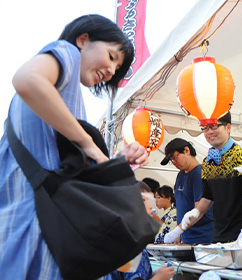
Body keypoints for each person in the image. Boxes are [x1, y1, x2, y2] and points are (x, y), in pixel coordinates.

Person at [0, 14, 150, 278]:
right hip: (40, 229)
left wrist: (114, 159)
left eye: (117, 69)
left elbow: (62, 165)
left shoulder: (59, 99)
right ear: (83, 40)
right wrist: (88, 143)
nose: (112, 71)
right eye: (112, 56)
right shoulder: (66, 52)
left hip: (22, 228)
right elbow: (26, 79)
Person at [164, 112, 242, 243]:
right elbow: (207, 197)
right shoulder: (208, 161)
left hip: (241, 234)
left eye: (214, 127)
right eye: (205, 128)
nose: (209, 132)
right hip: (217, 235)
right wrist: (188, 219)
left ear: (228, 127)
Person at [104, 189, 175, 280]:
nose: (150, 206)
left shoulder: (117, 239)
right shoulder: (132, 245)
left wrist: (153, 273)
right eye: (143, 200)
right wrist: (159, 277)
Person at [159, 138, 214, 244]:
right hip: (186, 237)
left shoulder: (199, 174)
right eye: (171, 161)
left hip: (202, 237)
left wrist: (178, 230)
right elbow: (181, 205)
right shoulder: (180, 175)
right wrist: (179, 233)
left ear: (186, 150)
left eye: (175, 157)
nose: (174, 162)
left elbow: (199, 210)